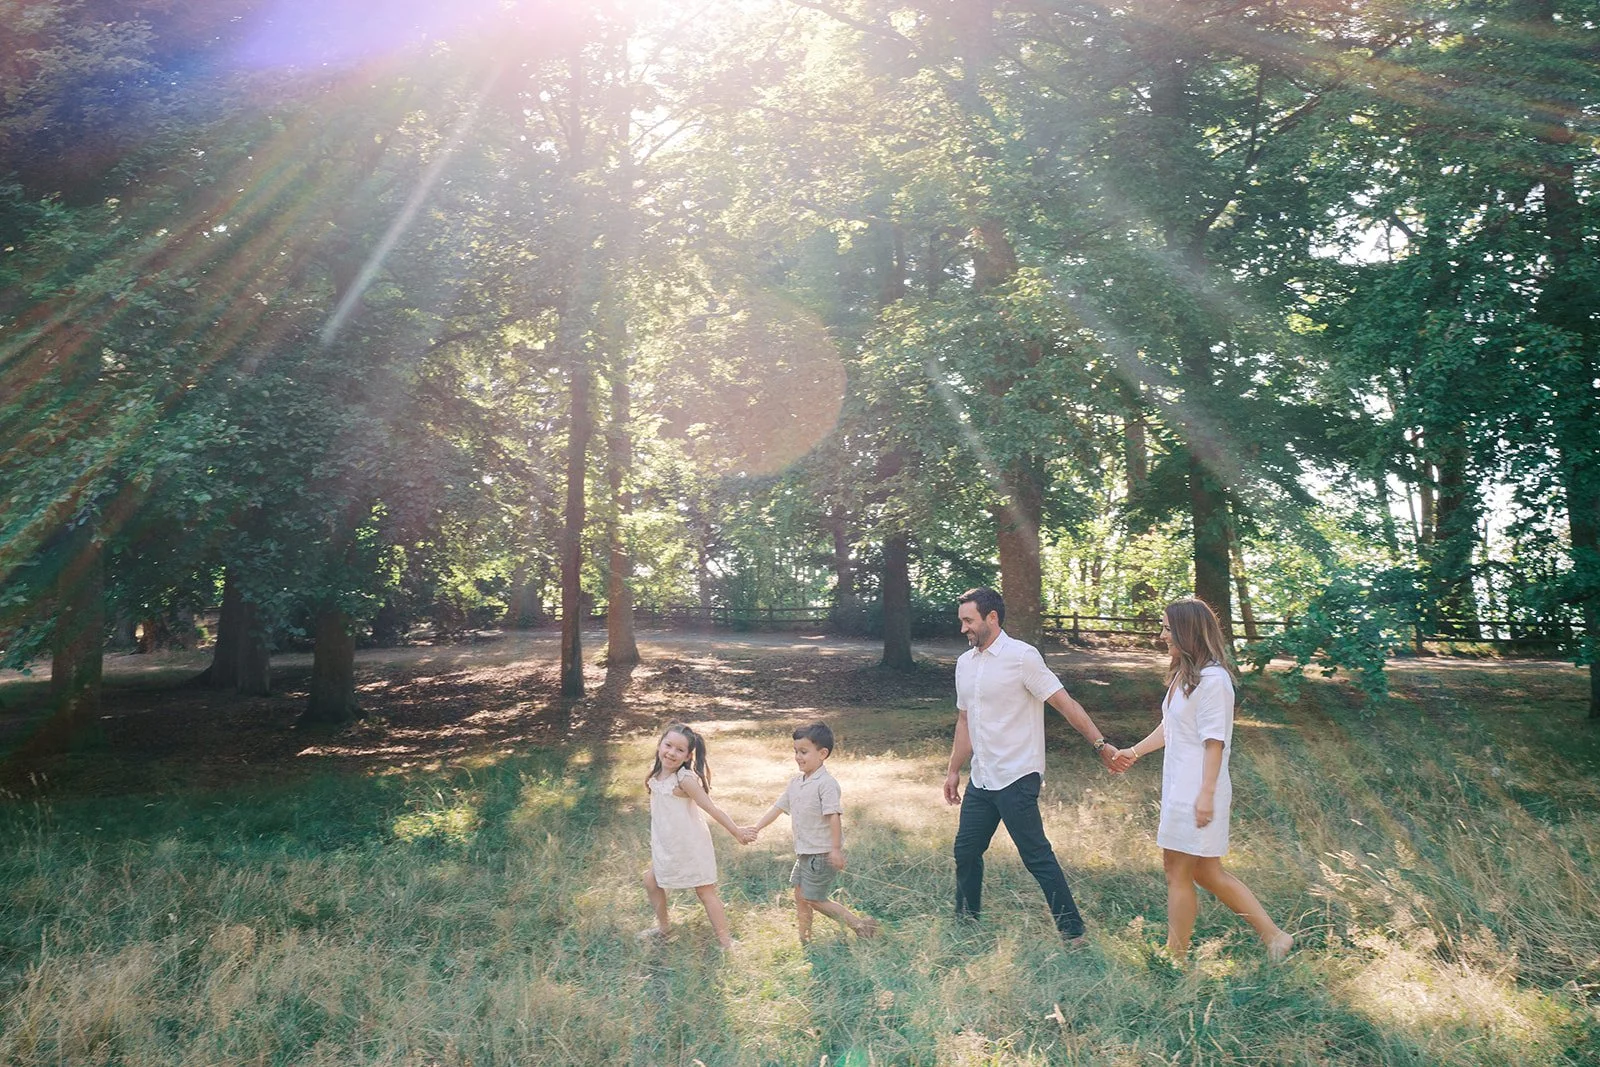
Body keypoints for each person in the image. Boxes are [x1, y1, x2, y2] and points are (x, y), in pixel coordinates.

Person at [1108, 598, 1294, 963]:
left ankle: (1174, 957)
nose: (1162, 636)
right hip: (1181, 786)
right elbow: (1171, 728)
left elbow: (1214, 742)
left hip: (1198, 790)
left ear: (1187, 632)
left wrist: (1206, 795)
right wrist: (1134, 751)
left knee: (1177, 870)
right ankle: (1275, 937)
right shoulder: (1185, 676)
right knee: (1207, 873)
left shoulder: (1214, 681)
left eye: (1167, 628)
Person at [944, 587, 1120, 944]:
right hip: (982, 778)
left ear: (991, 618)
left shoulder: (1022, 657)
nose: (963, 628)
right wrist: (953, 770)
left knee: (1036, 855)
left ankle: (1072, 932)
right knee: (965, 850)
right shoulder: (965, 664)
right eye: (961, 620)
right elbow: (965, 721)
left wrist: (1100, 744)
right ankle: (967, 923)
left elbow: (1064, 703)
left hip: (1017, 776)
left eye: (969, 620)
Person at [751, 722, 882, 944]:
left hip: (821, 853)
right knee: (800, 895)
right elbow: (778, 808)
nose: (798, 757)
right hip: (804, 852)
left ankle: (860, 926)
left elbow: (833, 816)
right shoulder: (796, 783)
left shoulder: (826, 784)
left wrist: (836, 849)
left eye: (803, 752)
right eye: (795, 752)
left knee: (813, 898)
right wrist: (756, 828)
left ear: (823, 754)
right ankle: (805, 938)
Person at [639, 722, 755, 949]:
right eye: (668, 745)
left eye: (679, 750)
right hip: (669, 845)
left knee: (705, 891)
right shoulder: (657, 775)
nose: (671, 752)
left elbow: (710, 808)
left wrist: (737, 831)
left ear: (687, 755)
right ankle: (664, 929)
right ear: (660, 744)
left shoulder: (685, 779)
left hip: (691, 845)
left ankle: (726, 942)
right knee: (651, 880)